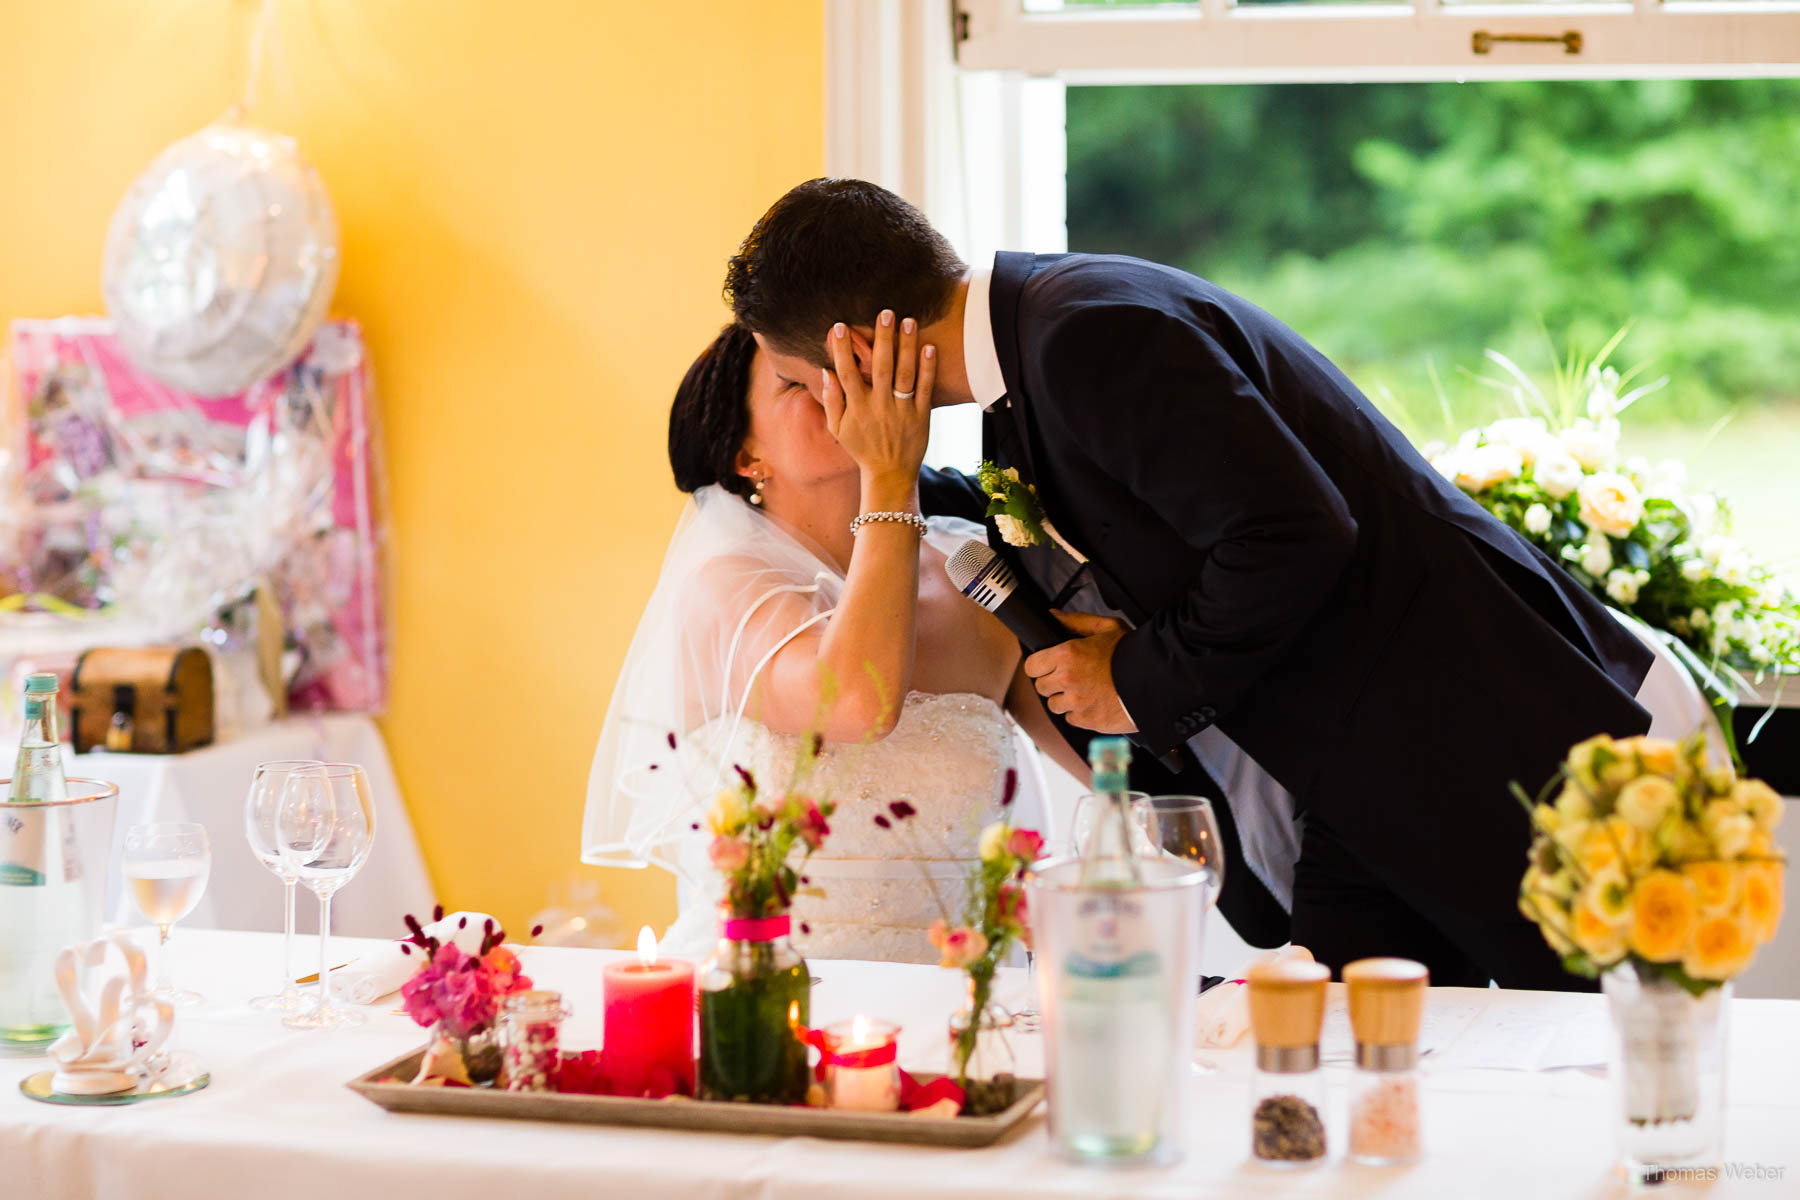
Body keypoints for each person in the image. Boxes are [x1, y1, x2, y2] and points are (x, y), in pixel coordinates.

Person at [723, 177, 1659, 989]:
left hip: (1459, 744)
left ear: (856, 348)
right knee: (1342, 1065)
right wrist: (853, 485)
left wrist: (1130, 681)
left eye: (808, 380)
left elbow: (1291, 532)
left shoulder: (1087, 336)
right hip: (1354, 779)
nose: (826, 406)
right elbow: (1083, 521)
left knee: (1579, 1061)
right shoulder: (1038, 340)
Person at [582, 320, 1086, 962]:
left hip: (964, 998)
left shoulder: (971, 575)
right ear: (746, 458)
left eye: (846, 368)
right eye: (798, 381)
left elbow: (1106, 763)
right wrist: (890, 474)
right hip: (780, 996)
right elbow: (853, 702)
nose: (839, 388)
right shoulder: (724, 591)